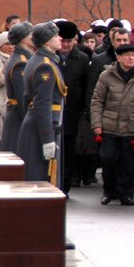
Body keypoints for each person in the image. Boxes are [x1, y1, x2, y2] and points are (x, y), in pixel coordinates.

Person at [90, 44, 134, 205]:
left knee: (128, 162)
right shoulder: (106, 75)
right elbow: (97, 101)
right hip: (109, 126)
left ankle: (126, 192)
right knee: (108, 158)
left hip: (131, 127)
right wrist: (96, 123)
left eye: (133, 54)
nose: (131, 58)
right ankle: (109, 190)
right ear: (118, 58)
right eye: (127, 55)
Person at [16, 23, 67, 185]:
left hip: (35, 123)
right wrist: (47, 138)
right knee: (42, 180)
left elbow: (26, 99)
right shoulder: (45, 65)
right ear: (46, 42)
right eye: (56, 36)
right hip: (44, 126)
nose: (60, 38)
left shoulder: (37, 60)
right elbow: (42, 104)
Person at [56, 20, 90, 192]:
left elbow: (86, 87)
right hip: (53, 112)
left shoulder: (82, 59)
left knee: (69, 151)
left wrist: (84, 110)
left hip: (71, 112)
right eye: (62, 40)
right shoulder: (51, 57)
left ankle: (65, 187)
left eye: (69, 41)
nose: (65, 45)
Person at [0, 22, 34, 152]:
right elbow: (22, 97)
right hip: (18, 120)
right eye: (31, 35)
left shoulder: (20, 58)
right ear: (24, 39)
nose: (34, 37)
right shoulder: (21, 62)